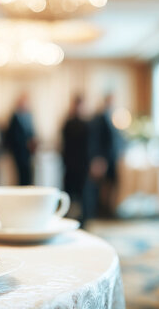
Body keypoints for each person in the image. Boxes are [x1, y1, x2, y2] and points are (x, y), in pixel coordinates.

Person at [61, 94, 94, 227]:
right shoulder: (68, 123)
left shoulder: (87, 124)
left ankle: (84, 221)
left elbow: (90, 146)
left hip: (82, 164)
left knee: (83, 194)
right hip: (69, 164)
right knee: (68, 194)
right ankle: (66, 218)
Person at [89, 93, 123, 217]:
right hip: (103, 159)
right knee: (103, 185)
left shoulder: (112, 117)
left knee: (112, 184)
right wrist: (97, 159)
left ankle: (109, 208)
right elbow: (96, 140)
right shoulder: (99, 117)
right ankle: (102, 210)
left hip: (112, 158)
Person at [5, 93, 36, 186]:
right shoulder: (15, 117)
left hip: (28, 152)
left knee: (29, 175)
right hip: (18, 152)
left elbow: (32, 132)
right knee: (21, 176)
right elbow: (11, 136)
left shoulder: (29, 116)